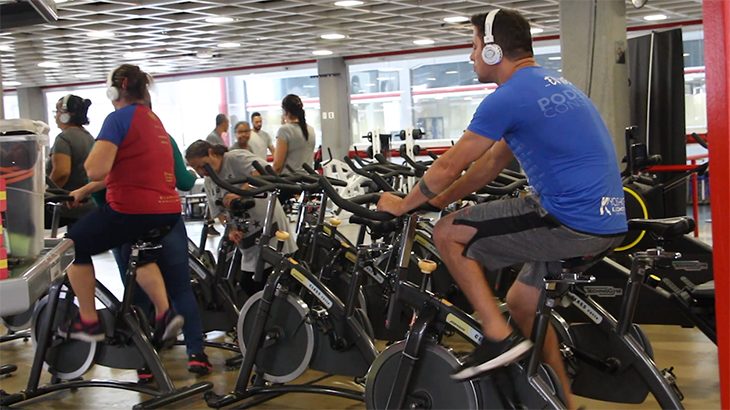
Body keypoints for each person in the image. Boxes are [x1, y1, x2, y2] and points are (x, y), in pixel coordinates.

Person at [376, 9, 627, 410]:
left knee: (447, 233)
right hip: (606, 220)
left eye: (474, 47)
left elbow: (447, 166)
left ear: (494, 51)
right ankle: (565, 402)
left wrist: (403, 204)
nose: (471, 56)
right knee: (524, 301)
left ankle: (496, 337)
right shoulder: (547, 84)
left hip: (567, 220)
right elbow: (490, 164)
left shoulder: (508, 97)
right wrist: (438, 201)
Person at [62, 64, 184, 346]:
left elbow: (96, 169)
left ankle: (89, 321)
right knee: (137, 252)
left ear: (114, 91)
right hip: (167, 210)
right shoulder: (153, 120)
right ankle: (165, 315)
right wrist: (85, 191)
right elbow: (126, 172)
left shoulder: (119, 119)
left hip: (132, 209)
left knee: (70, 246)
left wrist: (90, 167)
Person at [185, 140, 297, 291]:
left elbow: (263, 171)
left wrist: (239, 193)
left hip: (269, 228)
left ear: (211, 152)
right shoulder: (209, 181)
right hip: (248, 239)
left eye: (202, 165)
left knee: (275, 278)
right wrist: (231, 230)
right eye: (195, 168)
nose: (201, 171)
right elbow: (220, 213)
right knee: (249, 284)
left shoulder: (234, 158)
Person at [45, 94, 96, 229]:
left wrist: (47, 194)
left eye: (57, 111)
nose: (56, 116)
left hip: (72, 206)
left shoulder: (64, 138)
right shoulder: (89, 137)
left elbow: (62, 173)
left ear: (65, 115)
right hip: (90, 205)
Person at [272, 95, 315, 174]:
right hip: (309, 180)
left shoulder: (284, 130)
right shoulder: (310, 129)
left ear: (286, 111)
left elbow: (277, 166)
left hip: (291, 182)